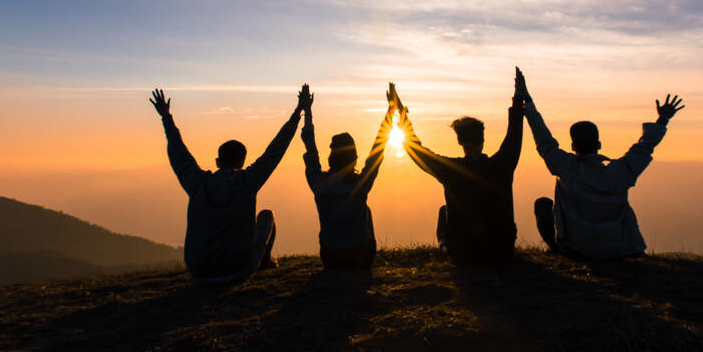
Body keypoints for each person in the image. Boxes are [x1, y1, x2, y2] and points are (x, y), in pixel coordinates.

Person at [517, 69, 684, 260]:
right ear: (599, 145)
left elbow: (544, 140)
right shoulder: (620, 172)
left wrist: (528, 102)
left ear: (573, 146)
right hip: (618, 251)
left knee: (542, 204)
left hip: (576, 250)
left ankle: (555, 248)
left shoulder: (566, 168)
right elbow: (645, 147)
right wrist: (663, 119)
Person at [149, 85, 309, 281]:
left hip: (199, 270)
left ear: (217, 161)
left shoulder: (198, 183)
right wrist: (298, 111)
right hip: (238, 269)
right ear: (242, 162)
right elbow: (275, 150)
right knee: (267, 216)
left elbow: (179, 153)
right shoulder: (248, 181)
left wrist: (166, 117)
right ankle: (265, 263)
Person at [395, 69, 525, 265]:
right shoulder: (503, 164)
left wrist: (401, 115)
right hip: (502, 252)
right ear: (482, 139)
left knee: (442, 212)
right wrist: (518, 97)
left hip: (464, 254)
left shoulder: (450, 169)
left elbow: (416, 151)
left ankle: (447, 248)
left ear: (460, 142)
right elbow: (514, 133)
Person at [300, 83, 397, 270]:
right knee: (366, 210)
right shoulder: (361, 184)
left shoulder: (318, 183)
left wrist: (307, 110)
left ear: (331, 157)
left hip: (330, 259)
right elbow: (378, 147)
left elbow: (310, 146)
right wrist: (390, 110)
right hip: (359, 258)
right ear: (354, 158)